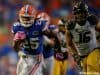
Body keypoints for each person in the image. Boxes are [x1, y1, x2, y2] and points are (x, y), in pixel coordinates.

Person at [12, 5, 48, 75]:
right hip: (24, 56)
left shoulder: (39, 26)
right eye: (24, 18)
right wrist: (17, 41)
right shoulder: (17, 27)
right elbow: (16, 49)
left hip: (35, 57)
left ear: (34, 18)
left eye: (28, 18)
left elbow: (50, 35)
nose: (25, 20)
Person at [66, 2, 100, 75]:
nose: (80, 15)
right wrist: (75, 54)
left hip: (93, 51)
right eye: (78, 13)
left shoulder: (91, 20)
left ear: (86, 13)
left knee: (92, 71)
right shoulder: (71, 26)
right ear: (74, 14)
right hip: (81, 55)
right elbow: (69, 43)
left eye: (82, 13)